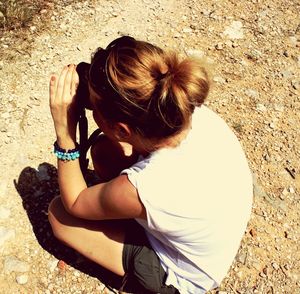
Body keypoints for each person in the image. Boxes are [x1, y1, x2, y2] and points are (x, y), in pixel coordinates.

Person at [48, 36, 253, 294]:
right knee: (104, 152)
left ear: (122, 129)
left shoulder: (144, 186)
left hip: (187, 277)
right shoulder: (188, 110)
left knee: (59, 215)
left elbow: (74, 203)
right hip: (214, 233)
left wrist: (65, 132)